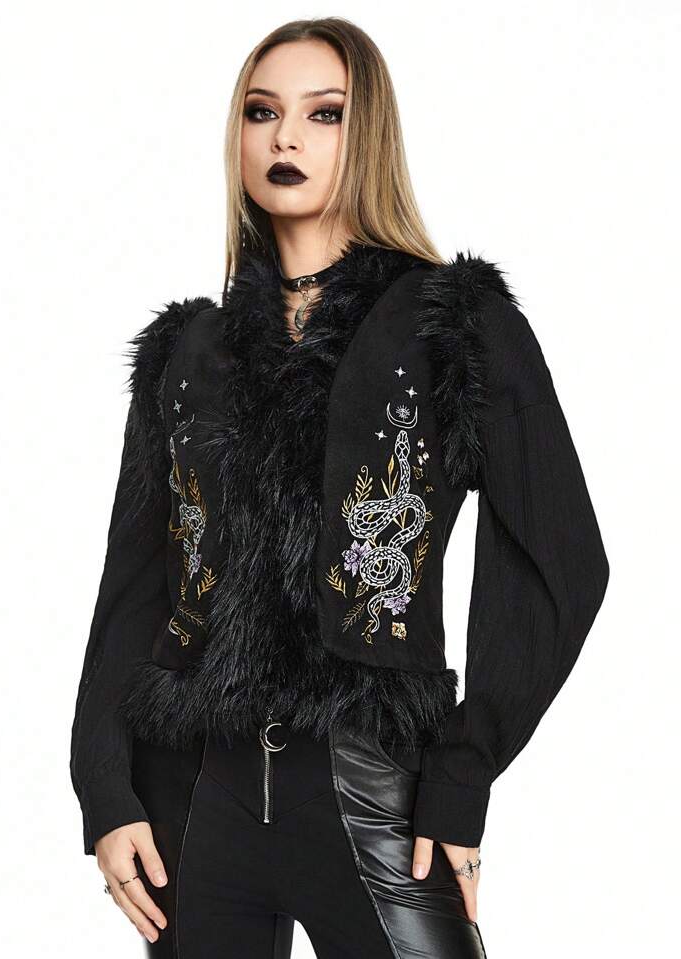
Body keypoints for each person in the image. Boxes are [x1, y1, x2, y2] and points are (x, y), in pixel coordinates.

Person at [69, 16, 610, 958]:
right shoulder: (187, 352)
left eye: (323, 113)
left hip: (376, 791)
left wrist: (463, 773)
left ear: (369, 137)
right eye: (261, 112)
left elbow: (558, 560)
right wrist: (106, 790)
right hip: (193, 795)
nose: (286, 137)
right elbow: (135, 587)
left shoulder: (454, 324)